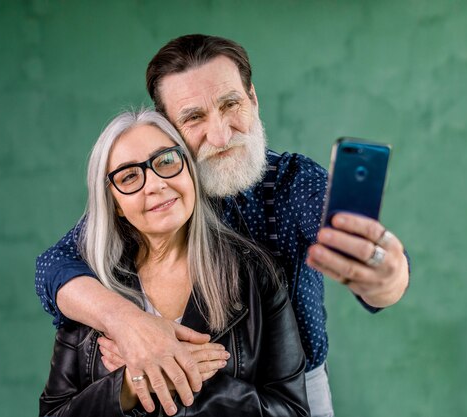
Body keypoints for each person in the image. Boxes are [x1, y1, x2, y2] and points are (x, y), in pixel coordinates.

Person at [35, 34, 410, 417]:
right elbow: (54, 266)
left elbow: (364, 256)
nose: (220, 135)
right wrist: (131, 325)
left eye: (231, 104)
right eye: (194, 117)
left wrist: (385, 275)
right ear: (168, 129)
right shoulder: (151, 197)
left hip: (285, 392)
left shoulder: (292, 183)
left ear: (253, 100)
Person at [39, 110, 310, 417]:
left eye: (166, 161)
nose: (154, 185)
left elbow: (291, 411)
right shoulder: (90, 286)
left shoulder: (256, 274)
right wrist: (128, 385)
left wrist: (175, 377)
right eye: (129, 176)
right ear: (115, 205)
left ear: (189, 169)